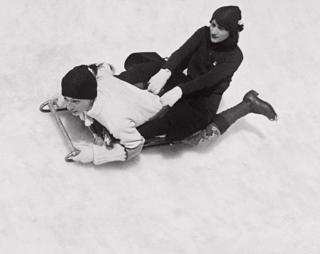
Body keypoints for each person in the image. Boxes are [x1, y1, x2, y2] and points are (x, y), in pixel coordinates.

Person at [56, 61, 277, 165]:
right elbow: (101, 67)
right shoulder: (100, 80)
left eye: (75, 101)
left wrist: (96, 155)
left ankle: (247, 104)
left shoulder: (114, 119)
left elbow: (133, 147)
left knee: (198, 140)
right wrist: (66, 98)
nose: (71, 105)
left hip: (171, 109)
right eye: (69, 100)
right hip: (153, 89)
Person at [116, 5, 247, 141]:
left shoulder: (235, 57)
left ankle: (128, 134)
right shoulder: (203, 33)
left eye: (221, 28)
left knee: (173, 119)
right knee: (157, 67)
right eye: (213, 25)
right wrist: (165, 71)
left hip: (203, 102)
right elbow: (182, 53)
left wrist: (180, 90)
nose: (214, 31)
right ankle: (108, 83)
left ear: (231, 31)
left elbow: (208, 80)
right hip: (186, 82)